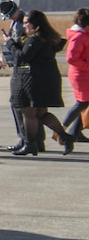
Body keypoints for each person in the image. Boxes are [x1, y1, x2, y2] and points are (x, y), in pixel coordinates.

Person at [12, 10, 76, 155]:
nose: (24, 26)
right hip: (46, 80)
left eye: (26, 23)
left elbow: (23, 57)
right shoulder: (47, 38)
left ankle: (31, 145)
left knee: (28, 112)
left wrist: (11, 44)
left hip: (36, 81)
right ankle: (65, 137)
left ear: (35, 24)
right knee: (41, 114)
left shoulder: (35, 39)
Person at [0, 0, 31, 152]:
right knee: (26, 106)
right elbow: (8, 43)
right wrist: (2, 59)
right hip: (19, 67)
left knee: (18, 104)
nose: (9, 17)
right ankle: (31, 139)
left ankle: (26, 138)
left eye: (10, 14)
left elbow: (17, 45)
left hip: (23, 69)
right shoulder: (15, 23)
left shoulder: (24, 24)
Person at [63, 8, 89, 141]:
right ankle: (62, 130)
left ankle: (75, 131)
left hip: (84, 73)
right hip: (81, 75)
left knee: (85, 103)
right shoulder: (78, 36)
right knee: (82, 103)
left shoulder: (84, 34)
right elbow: (71, 58)